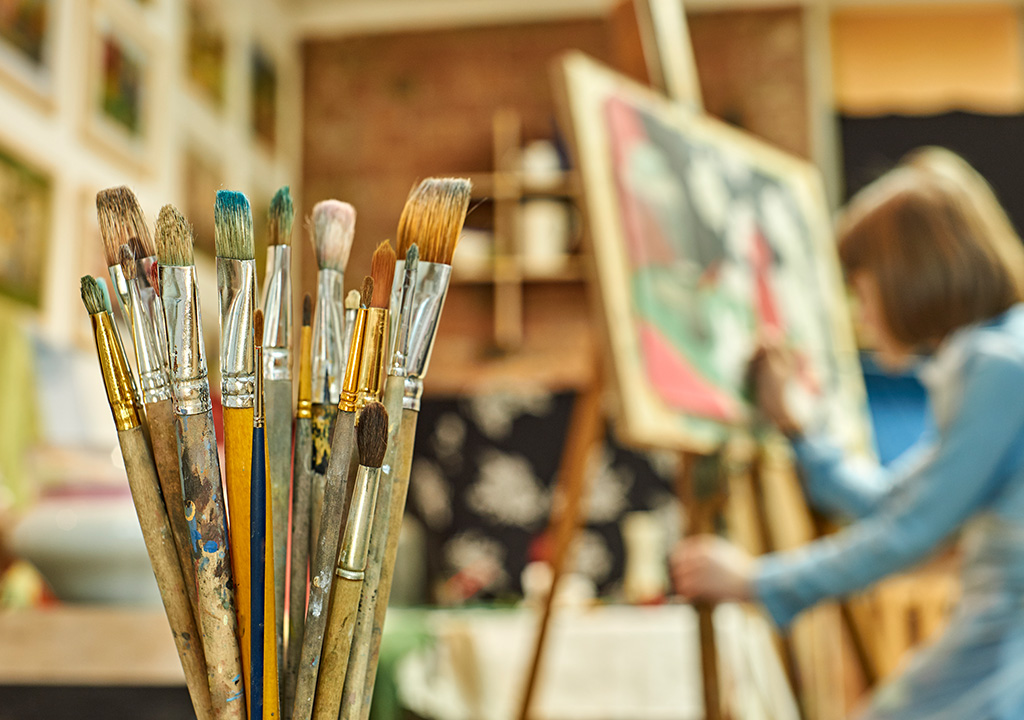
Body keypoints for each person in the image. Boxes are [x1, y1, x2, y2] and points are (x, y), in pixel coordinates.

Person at [671, 147, 1024, 719]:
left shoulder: (998, 366)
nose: (860, 315)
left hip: (1007, 649)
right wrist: (799, 427)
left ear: (908, 278)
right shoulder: (997, 353)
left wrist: (759, 581)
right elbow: (897, 501)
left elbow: (909, 531)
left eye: (861, 291)